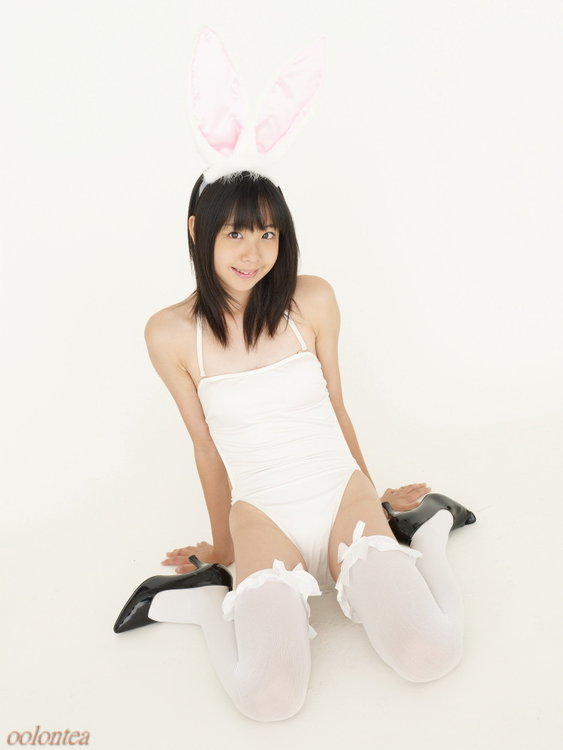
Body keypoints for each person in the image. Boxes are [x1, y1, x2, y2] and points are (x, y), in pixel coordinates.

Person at [113, 170, 476, 722]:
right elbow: (205, 449)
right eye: (235, 233)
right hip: (262, 514)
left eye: (268, 234)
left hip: (341, 494)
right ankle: (208, 604)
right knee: (269, 699)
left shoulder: (311, 300)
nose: (253, 253)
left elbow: (337, 406)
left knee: (430, 655)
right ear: (196, 231)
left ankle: (426, 533)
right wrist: (223, 550)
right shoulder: (170, 333)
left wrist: (375, 504)